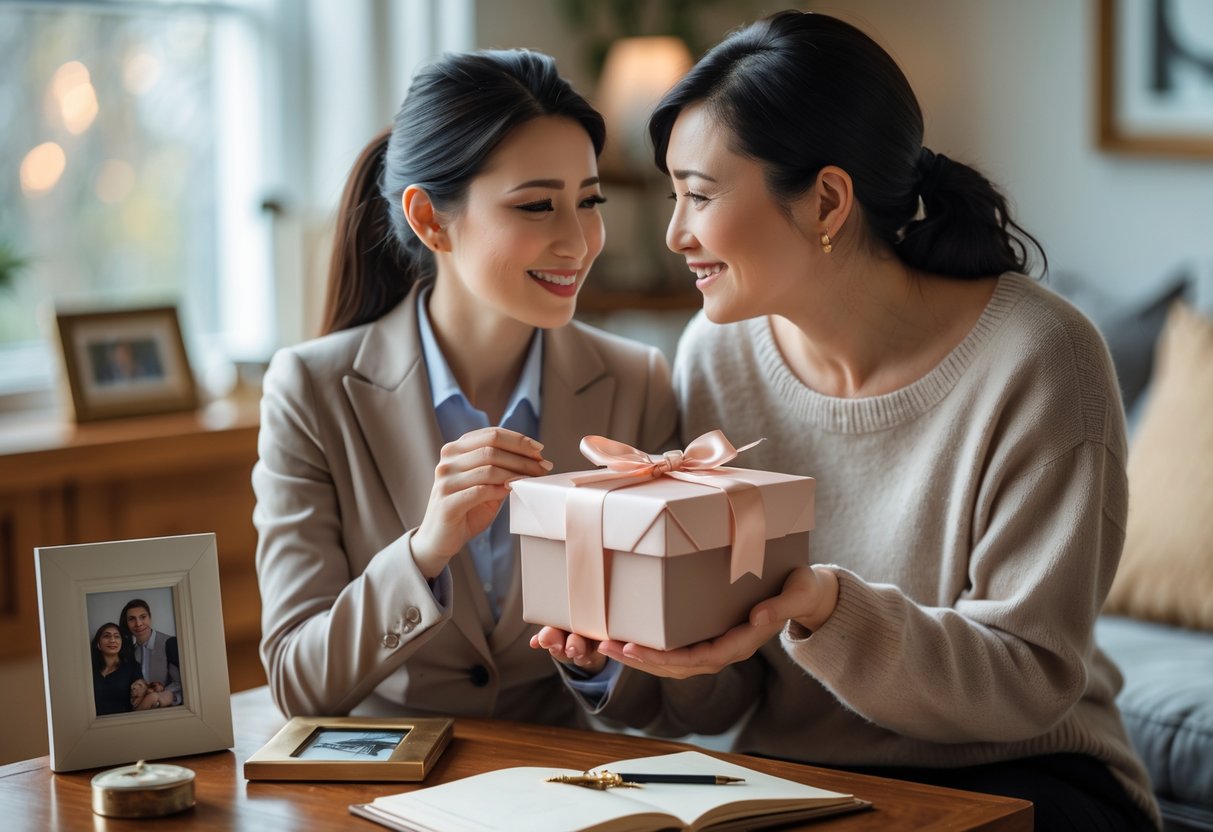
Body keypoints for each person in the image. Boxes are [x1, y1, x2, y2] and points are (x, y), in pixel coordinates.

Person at [533, 11, 1160, 829]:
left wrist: (824, 607)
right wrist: (621, 653)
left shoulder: (1042, 358)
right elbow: (728, 679)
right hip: (789, 779)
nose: (674, 233)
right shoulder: (716, 355)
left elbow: (1025, 681)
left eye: (698, 195)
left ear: (826, 200)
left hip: (1020, 774)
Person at [252, 48, 677, 723]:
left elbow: (674, 687)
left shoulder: (637, 383)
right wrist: (426, 550)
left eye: (588, 201)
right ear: (428, 219)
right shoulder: (311, 390)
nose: (577, 241)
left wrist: (597, 667)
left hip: (566, 796)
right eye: (537, 205)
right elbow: (298, 682)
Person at [119, 598, 180, 707]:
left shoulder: (170, 643)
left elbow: (180, 683)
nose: (138, 623)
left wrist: (158, 696)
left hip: (169, 708)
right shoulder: (129, 652)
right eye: (132, 619)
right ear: (126, 623)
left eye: (143, 617)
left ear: (150, 617)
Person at [91, 622, 140, 716]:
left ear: (121, 642)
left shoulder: (132, 667)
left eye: (117, 636)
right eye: (106, 636)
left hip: (122, 723)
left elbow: (139, 700)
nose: (112, 640)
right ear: (98, 644)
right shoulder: (90, 670)